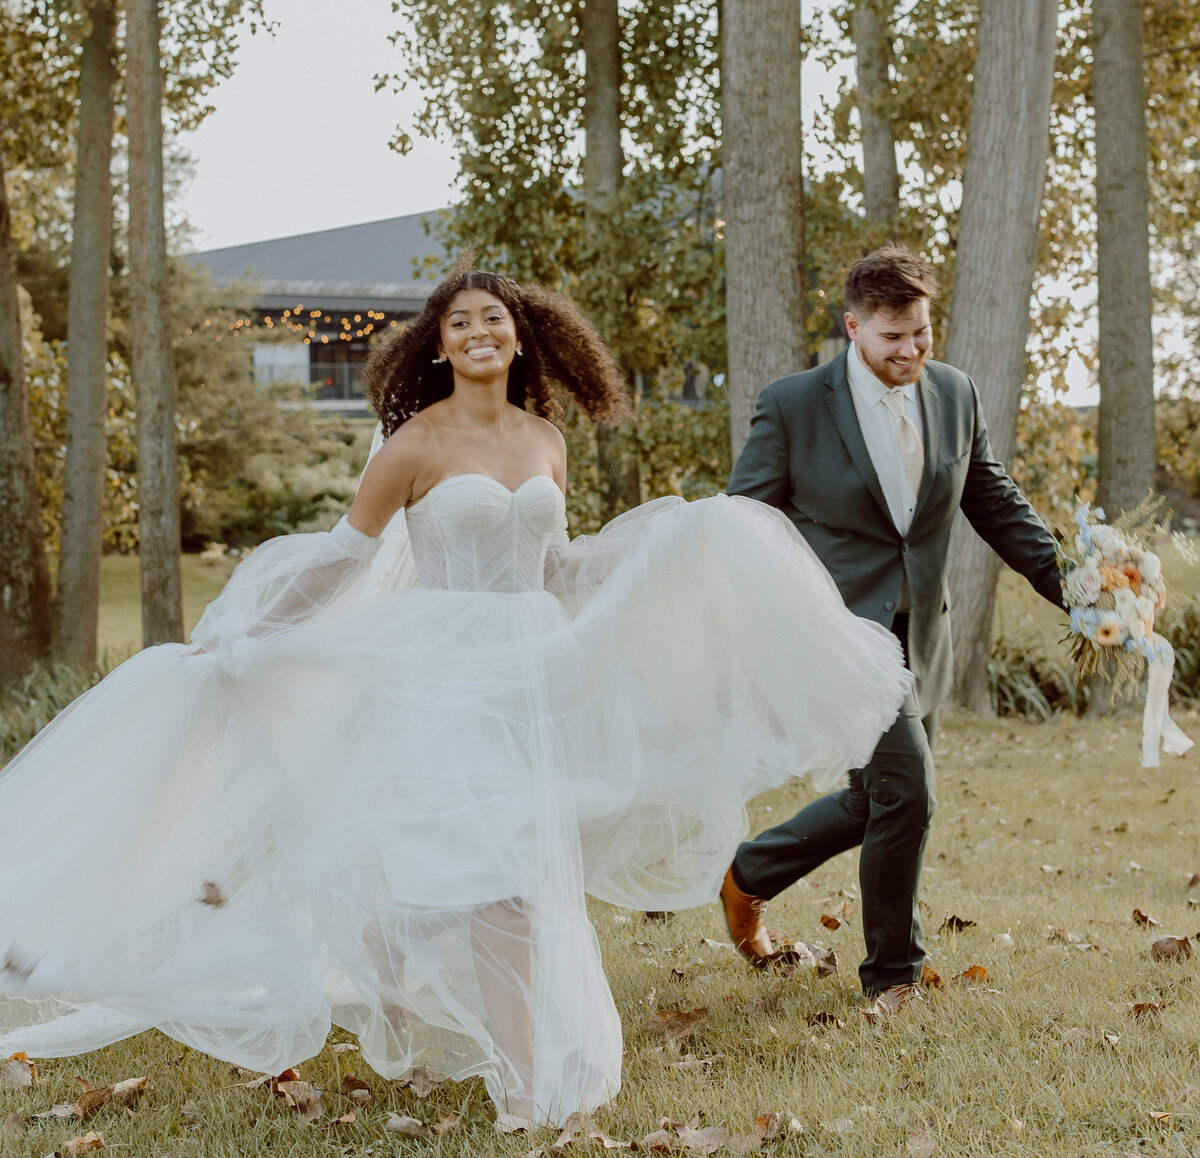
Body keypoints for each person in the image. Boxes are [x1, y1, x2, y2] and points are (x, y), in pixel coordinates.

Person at [0, 254, 911, 1126]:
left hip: (531, 674)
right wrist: (253, 635)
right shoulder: (413, 443)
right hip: (436, 674)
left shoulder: (547, 440)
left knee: (500, 870)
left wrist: (665, 541)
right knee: (475, 875)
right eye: (460, 322)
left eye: (495, 319)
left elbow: (555, 568)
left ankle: (478, 1047)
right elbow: (341, 562)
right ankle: (470, 1052)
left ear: (521, 340)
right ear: (438, 346)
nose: (479, 331)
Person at [720, 245, 1065, 1013]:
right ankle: (893, 977)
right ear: (852, 327)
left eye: (920, 333)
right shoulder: (794, 404)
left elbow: (992, 498)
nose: (909, 351)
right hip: (840, 639)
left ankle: (748, 873)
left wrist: (1069, 585)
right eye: (890, 338)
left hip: (923, 634)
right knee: (908, 792)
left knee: (876, 798)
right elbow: (744, 526)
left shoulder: (954, 392)